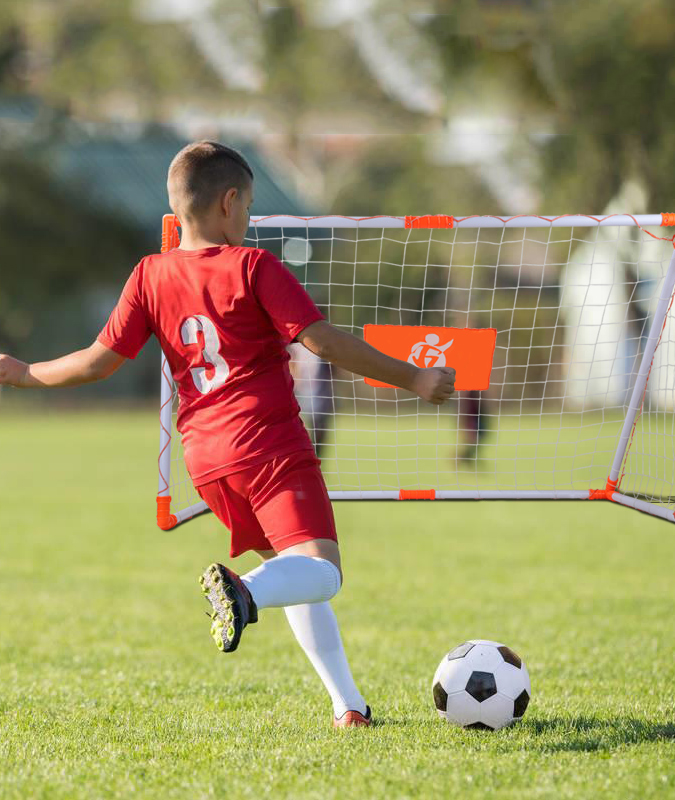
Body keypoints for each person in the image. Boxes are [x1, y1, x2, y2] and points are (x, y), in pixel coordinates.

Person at [0, 141, 456, 728]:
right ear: (229, 201)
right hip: (268, 445)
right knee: (323, 572)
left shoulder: (150, 273)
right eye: (247, 208)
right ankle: (242, 595)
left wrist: (21, 374)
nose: (248, 221)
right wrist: (414, 377)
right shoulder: (255, 266)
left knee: (291, 572)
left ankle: (349, 706)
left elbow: (98, 361)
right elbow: (323, 341)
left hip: (207, 461)